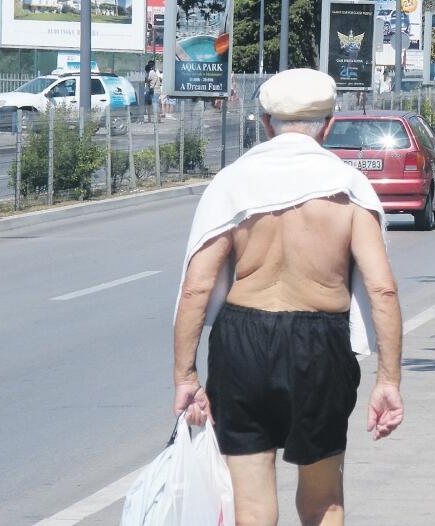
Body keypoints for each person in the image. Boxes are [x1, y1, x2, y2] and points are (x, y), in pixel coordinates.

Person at [172, 68, 404, 526]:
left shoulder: (234, 182)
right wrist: (389, 380)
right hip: (321, 346)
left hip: (242, 344)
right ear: (330, 124)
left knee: (252, 508)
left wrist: (185, 375)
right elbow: (381, 288)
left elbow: (197, 286)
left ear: (264, 123)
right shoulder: (348, 188)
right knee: (323, 502)